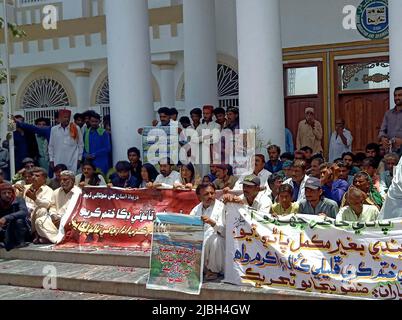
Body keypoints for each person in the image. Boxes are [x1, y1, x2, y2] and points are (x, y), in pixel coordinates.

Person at [34, 171, 81, 244]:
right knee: (39, 221)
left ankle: (52, 239)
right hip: (56, 220)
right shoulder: (56, 192)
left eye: (65, 180)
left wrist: (63, 219)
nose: (62, 182)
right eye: (61, 180)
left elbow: (78, 210)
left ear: (72, 180)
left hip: (70, 220)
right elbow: (52, 206)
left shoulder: (78, 192)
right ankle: (57, 239)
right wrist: (53, 215)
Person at [190, 183, 226, 280]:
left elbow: (226, 233)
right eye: (206, 194)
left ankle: (213, 271)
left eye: (212, 193)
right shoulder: (195, 210)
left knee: (216, 240)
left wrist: (213, 223)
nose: (210, 196)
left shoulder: (222, 208)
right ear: (199, 196)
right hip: (200, 242)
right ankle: (200, 269)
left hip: (220, 244)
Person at [22, 167, 53, 244]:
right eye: (33, 175)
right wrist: (14, 186)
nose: (34, 177)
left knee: (42, 210)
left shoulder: (48, 190)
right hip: (24, 215)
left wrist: (34, 198)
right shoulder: (25, 187)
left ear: (44, 179)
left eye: (37, 176)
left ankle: (38, 234)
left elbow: (47, 204)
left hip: (34, 217)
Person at [0, 183, 30, 250]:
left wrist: (6, 218)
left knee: (19, 221)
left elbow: (24, 212)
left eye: (9, 193)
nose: (7, 195)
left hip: (18, 228)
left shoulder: (19, 200)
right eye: (4, 193)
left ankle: (21, 242)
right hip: (4, 228)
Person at [379, 87, 402, 155]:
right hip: (391, 151)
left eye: (400, 95)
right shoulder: (388, 114)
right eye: (395, 95)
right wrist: (382, 138)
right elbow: (382, 130)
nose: (397, 98)